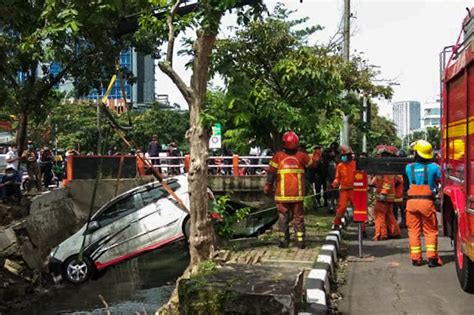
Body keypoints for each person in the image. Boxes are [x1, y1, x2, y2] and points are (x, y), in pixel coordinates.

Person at [263, 131, 315, 249]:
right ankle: (300, 241)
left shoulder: (278, 156)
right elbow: (312, 165)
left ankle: (283, 241)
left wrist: (268, 185)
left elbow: (271, 172)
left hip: (282, 196)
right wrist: (316, 156)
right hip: (297, 195)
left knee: (283, 217)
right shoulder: (302, 156)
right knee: (298, 218)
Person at [405, 140, 443, 267]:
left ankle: (416, 259)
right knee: (430, 230)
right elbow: (441, 178)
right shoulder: (434, 167)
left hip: (411, 202)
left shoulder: (408, 168)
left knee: (414, 231)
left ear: (416, 153)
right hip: (426, 202)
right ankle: (432, 259)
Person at [371, 145, 400, 240]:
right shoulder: (387, 166)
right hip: (388, 195)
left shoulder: (385, 166)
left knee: (379, 214)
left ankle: (380, 234)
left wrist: (383, 193)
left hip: (384, 195)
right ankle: (394, 232)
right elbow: (379, 180)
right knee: (388, 214)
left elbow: (388, 182)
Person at [331, 145, 360, 231]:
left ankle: (362, 229)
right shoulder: (340, 166)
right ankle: (336, 223)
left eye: (345, 155)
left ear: (350, 155)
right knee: (342, 208)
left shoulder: (356, 164)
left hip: (354, 190)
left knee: (358, 208)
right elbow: (337, 178)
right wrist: (334, 184)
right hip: (344, 190)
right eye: (342, 156)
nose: (344, 157)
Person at [322, 142, 340, 212]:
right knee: (329, 191)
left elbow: (340, 160)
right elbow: (324, 161)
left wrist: (335, 156)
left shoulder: (339, 155)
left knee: (336, 193)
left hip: (337, 177)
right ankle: (330, 207)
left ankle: (336, 207)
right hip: (329, 176)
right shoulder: (327, 155)